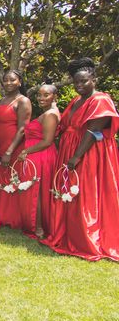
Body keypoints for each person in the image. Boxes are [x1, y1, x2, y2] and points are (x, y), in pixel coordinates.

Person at [42, 58, 119, 261]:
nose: (79, 86)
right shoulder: (77, 100)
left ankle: (86, 238)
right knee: (68, 191)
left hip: (88, 152)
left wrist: (76, 156)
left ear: (94, 79)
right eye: (76, 82)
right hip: (70, 149)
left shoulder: (100, 100)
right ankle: (67, 233)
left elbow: (94, 132)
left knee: (84, 192)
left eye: (84, 81)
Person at [0, 70, 32, 228]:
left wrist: (9, 151)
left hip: (14, 145)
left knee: (14, 178)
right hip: (0, 144)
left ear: (19, 81)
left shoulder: (23, 101)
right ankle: (1, 214)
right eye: (5, 80)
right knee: (2, 178)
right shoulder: (3, 100)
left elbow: (23, 128)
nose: (8, 83)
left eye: (12, 80)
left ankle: (14, 218)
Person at [17, 84, 60, 238]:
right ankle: (36, 225)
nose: (41, 98)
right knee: (36, 190)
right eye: (40, 95)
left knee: (38, 191)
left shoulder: (50, 115)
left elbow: (47, 141)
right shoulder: (49, 111)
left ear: (54, 96)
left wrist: (25, 151)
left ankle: (39, 228)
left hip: (41, 155)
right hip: (37, 155)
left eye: (46, 95)